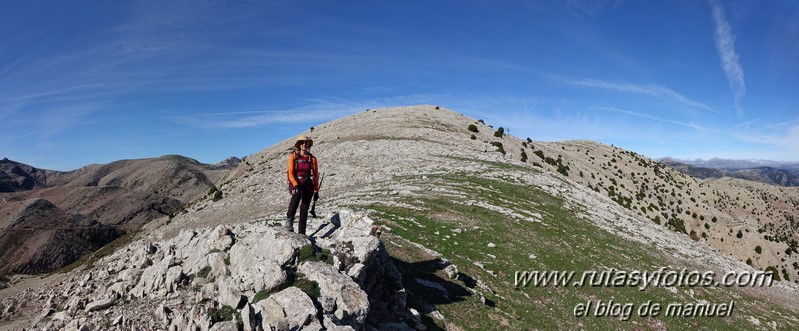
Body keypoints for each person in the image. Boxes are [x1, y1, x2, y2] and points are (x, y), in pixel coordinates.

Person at [285, 135, 319, 235]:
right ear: (299, 144)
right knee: (296, 195)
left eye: (306, 142)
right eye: (302, 142)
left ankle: (302, 232)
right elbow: (290, 173)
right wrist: (295, 184)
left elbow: (316, 176)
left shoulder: (312, 159)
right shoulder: (293, 156)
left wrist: (316, 190)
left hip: (308, 183)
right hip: (296, 182)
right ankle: (289, 220)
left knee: (304, 208)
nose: (304, 144)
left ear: (308, 144)